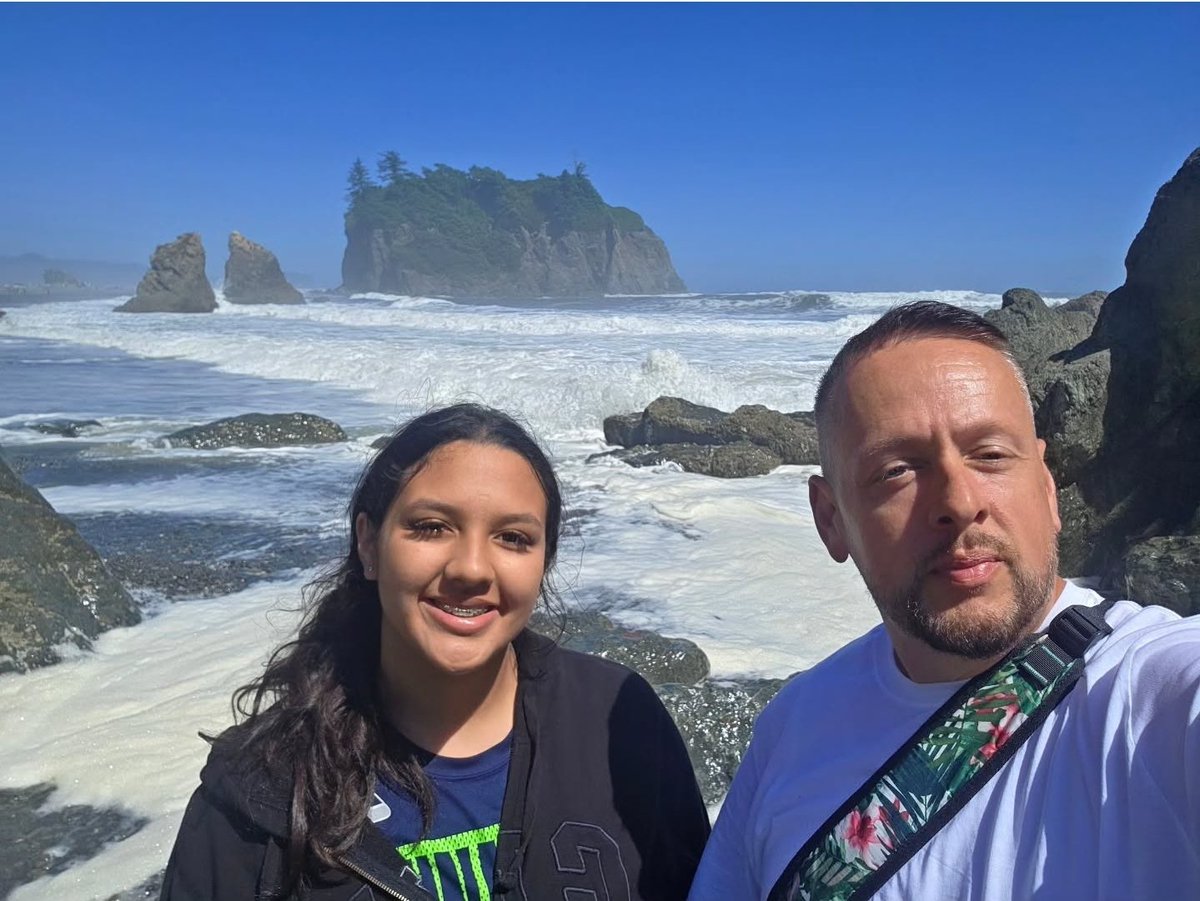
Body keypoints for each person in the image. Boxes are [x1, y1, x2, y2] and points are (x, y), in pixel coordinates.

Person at [688, 301, 1200, 900]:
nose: (959, 501)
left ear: (1046, 485)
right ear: (831, 521)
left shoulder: (1153, 694)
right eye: (899, 470)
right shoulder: (793, 726)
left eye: (990, 455)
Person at [162, 403, 709, 901]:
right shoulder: (263, 788)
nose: (471, 568)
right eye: (431, 528)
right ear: (369, 544)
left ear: (544, 563)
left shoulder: (619, 722)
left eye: (513, 538)